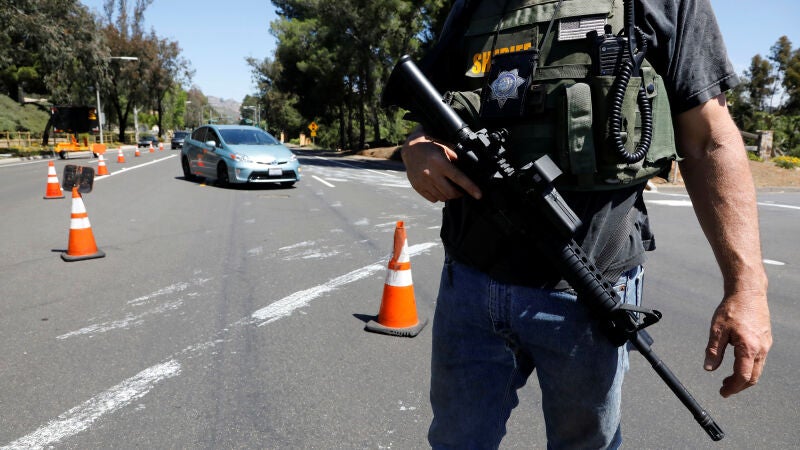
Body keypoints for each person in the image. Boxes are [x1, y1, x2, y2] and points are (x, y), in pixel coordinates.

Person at [397, 0, 772, 448]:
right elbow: (432, 110)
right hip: (470, 286)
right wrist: (416, 146)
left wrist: (747, 289)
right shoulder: (473, 5)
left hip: (590, 294)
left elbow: (709, 139)